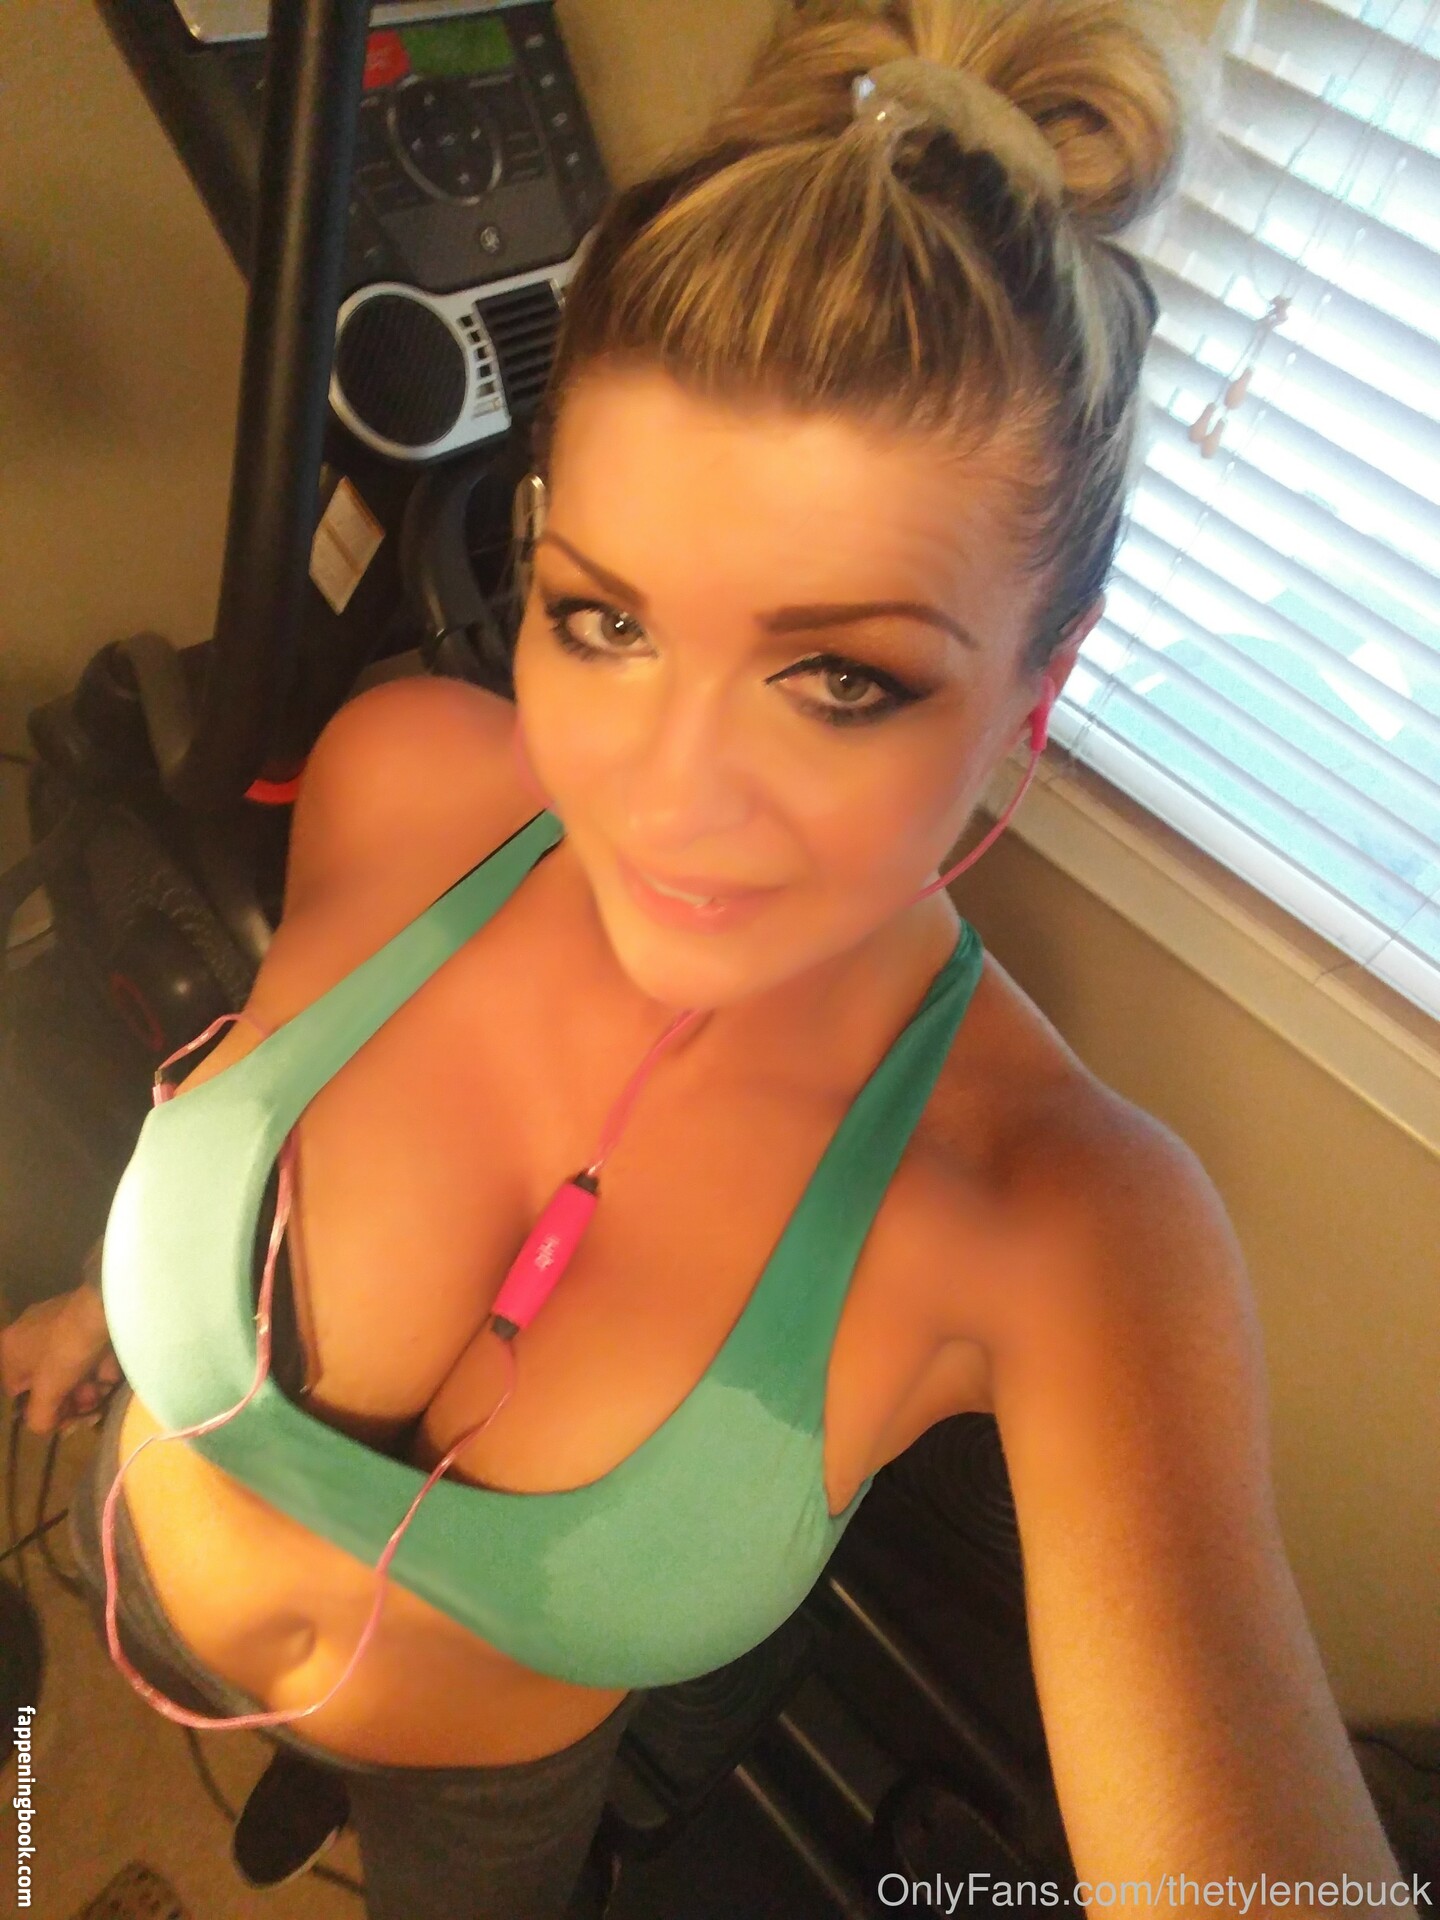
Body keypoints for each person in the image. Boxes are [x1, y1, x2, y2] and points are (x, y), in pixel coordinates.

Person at [1, 1, 1413, 1914]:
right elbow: (253, 1096)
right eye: (603, 621)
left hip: (483, 1806)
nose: (663, 801)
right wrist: (115, 1303)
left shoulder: (1072, 1224)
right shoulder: (408, 776)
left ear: (1033, 692)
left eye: (841, 679)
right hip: (148, 1570)